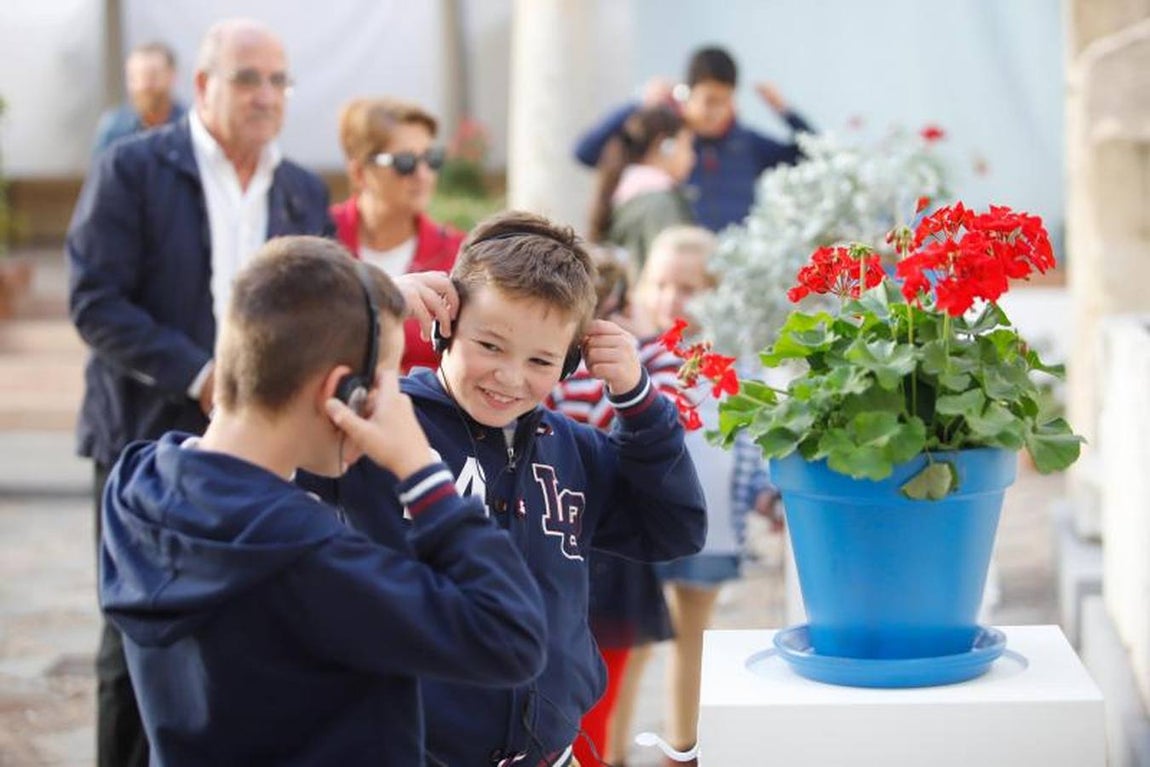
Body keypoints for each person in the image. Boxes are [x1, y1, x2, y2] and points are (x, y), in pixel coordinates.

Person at [99, 236, 547, 766]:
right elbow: (512, 636)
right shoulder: (310, 562)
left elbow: (287, 323)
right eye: (388, 381)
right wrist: (423, 472)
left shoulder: (136, 486)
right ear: (342, 392)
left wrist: (355, 313)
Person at [302, 211, 707, 767]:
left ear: (569, 363)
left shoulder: (575, 450)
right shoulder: (381, 419)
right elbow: (269, 418)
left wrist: (640, 406)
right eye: (489, 345)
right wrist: (368, 318)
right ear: (445, 325)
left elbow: (676, 529)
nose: (510, 377)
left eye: (541, 360)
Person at [67, 19, 332, 767]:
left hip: (265, 448)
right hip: (146, 439)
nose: (267, 95)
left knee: (248, 634)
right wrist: (204, 373)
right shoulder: (131, 169)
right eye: (249, 78)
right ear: (204, 86)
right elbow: (95, 300)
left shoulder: (301, 189)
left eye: (279, 80)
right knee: (134, 636)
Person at [634, 226, 774, 766]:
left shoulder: (734, 356)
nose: (672, 299)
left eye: (688, 288)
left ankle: (682, 748)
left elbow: (754, 433)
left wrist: (763, 495)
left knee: (695, 633)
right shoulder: (633, 348)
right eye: (662, 284)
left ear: (715, 291)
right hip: (640, 520)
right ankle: (609, 750)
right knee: (634, 637)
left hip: (710, 516)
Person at [546, 248, 675, 767]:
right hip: (607, 543)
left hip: (560, 529)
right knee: (597, 705)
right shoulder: (635, 362)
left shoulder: (552, 366)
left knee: (574, 705)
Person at [574, 45, 814, 232]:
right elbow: (586, 152)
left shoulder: (745, 142)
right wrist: (639, 104)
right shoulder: (665, 139)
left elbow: (810, 157)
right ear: (688, 93)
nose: (717, 112)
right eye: (709, 100)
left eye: (725, 101)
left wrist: (785, 111)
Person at [332, 97, 465, 372]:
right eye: (405, 162)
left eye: (432, 159)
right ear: (359, 172)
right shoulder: (315, 239)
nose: (423, 174)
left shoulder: (460, 255)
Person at [587, 104, 696, 276]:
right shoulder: (660, 203)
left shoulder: (628, 191)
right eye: (688, 146)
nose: (692, 158)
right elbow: (674, 272)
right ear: (665, 146)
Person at [93, 41, 187, 155]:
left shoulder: (189, 127)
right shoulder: (115, 128)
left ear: (172, 76)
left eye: (153, 76)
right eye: (136, 77)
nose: (144, 86)